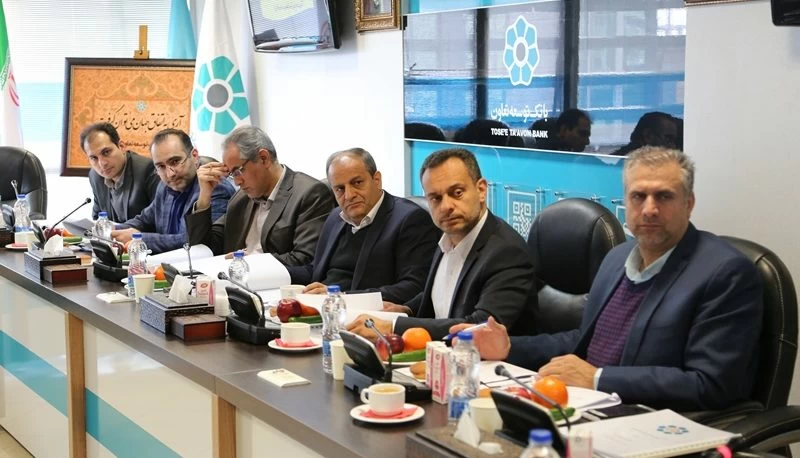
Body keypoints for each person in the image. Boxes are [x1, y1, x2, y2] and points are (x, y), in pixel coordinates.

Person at [449, 146, 763, 411]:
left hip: (652, 421)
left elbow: (711, 383)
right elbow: (584, 340)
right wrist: (507, 348)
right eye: (638, 196)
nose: (649, 209)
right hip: (587, 406)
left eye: (664, 197)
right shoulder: (616, 258)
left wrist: (598, 378)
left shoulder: (725, 273)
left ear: (689, 204)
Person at [346, 148, 537, 340]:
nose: (446, 207)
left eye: (457, 193)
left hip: (488, 358)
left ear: (481, 190)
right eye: (435, 198)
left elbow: (479, 327)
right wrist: (406, 309)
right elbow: (443, 294)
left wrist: (394, 326)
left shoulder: (507, 252)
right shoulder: (447, 237)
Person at [287, 148, 439, 303]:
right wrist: (275, 274)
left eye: (357, 183)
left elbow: (414, 287)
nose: (349, 195)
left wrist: (340, 297)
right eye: (340, 189)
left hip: (365, 312)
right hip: (323, 306)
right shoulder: (335, 217)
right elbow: (315, 270)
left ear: (377, 180)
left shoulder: (410, 219)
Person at [185, 126, 335, 266]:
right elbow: (204, 250)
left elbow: (305, 259)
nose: (237, 182)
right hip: (235, 281)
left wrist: (250, 262)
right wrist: (204, 196)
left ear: (264, 158)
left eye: (238, 171)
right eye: (231, 174)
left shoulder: (309, 194)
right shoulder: (240, 199)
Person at [109, 129, 235, 254]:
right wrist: (110, 230)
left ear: (194, 156)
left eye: (175, 162)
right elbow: (144, 220)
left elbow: (197, 243)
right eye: (161, 166)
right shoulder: (165, 186)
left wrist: (140, 239)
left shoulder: (214, 187)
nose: (170, 174)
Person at [82, 122, 160, 222]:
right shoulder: (95, 176)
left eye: (106, 152)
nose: (102, 163)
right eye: (93, 158)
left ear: (122, 146)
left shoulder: (147, 169)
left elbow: (157, 219)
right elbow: (97, 217)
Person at [612, 112, 678, 156]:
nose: (673, 146)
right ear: (648, 135)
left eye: (674, 141)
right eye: (668, 139)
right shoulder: (621, 164)